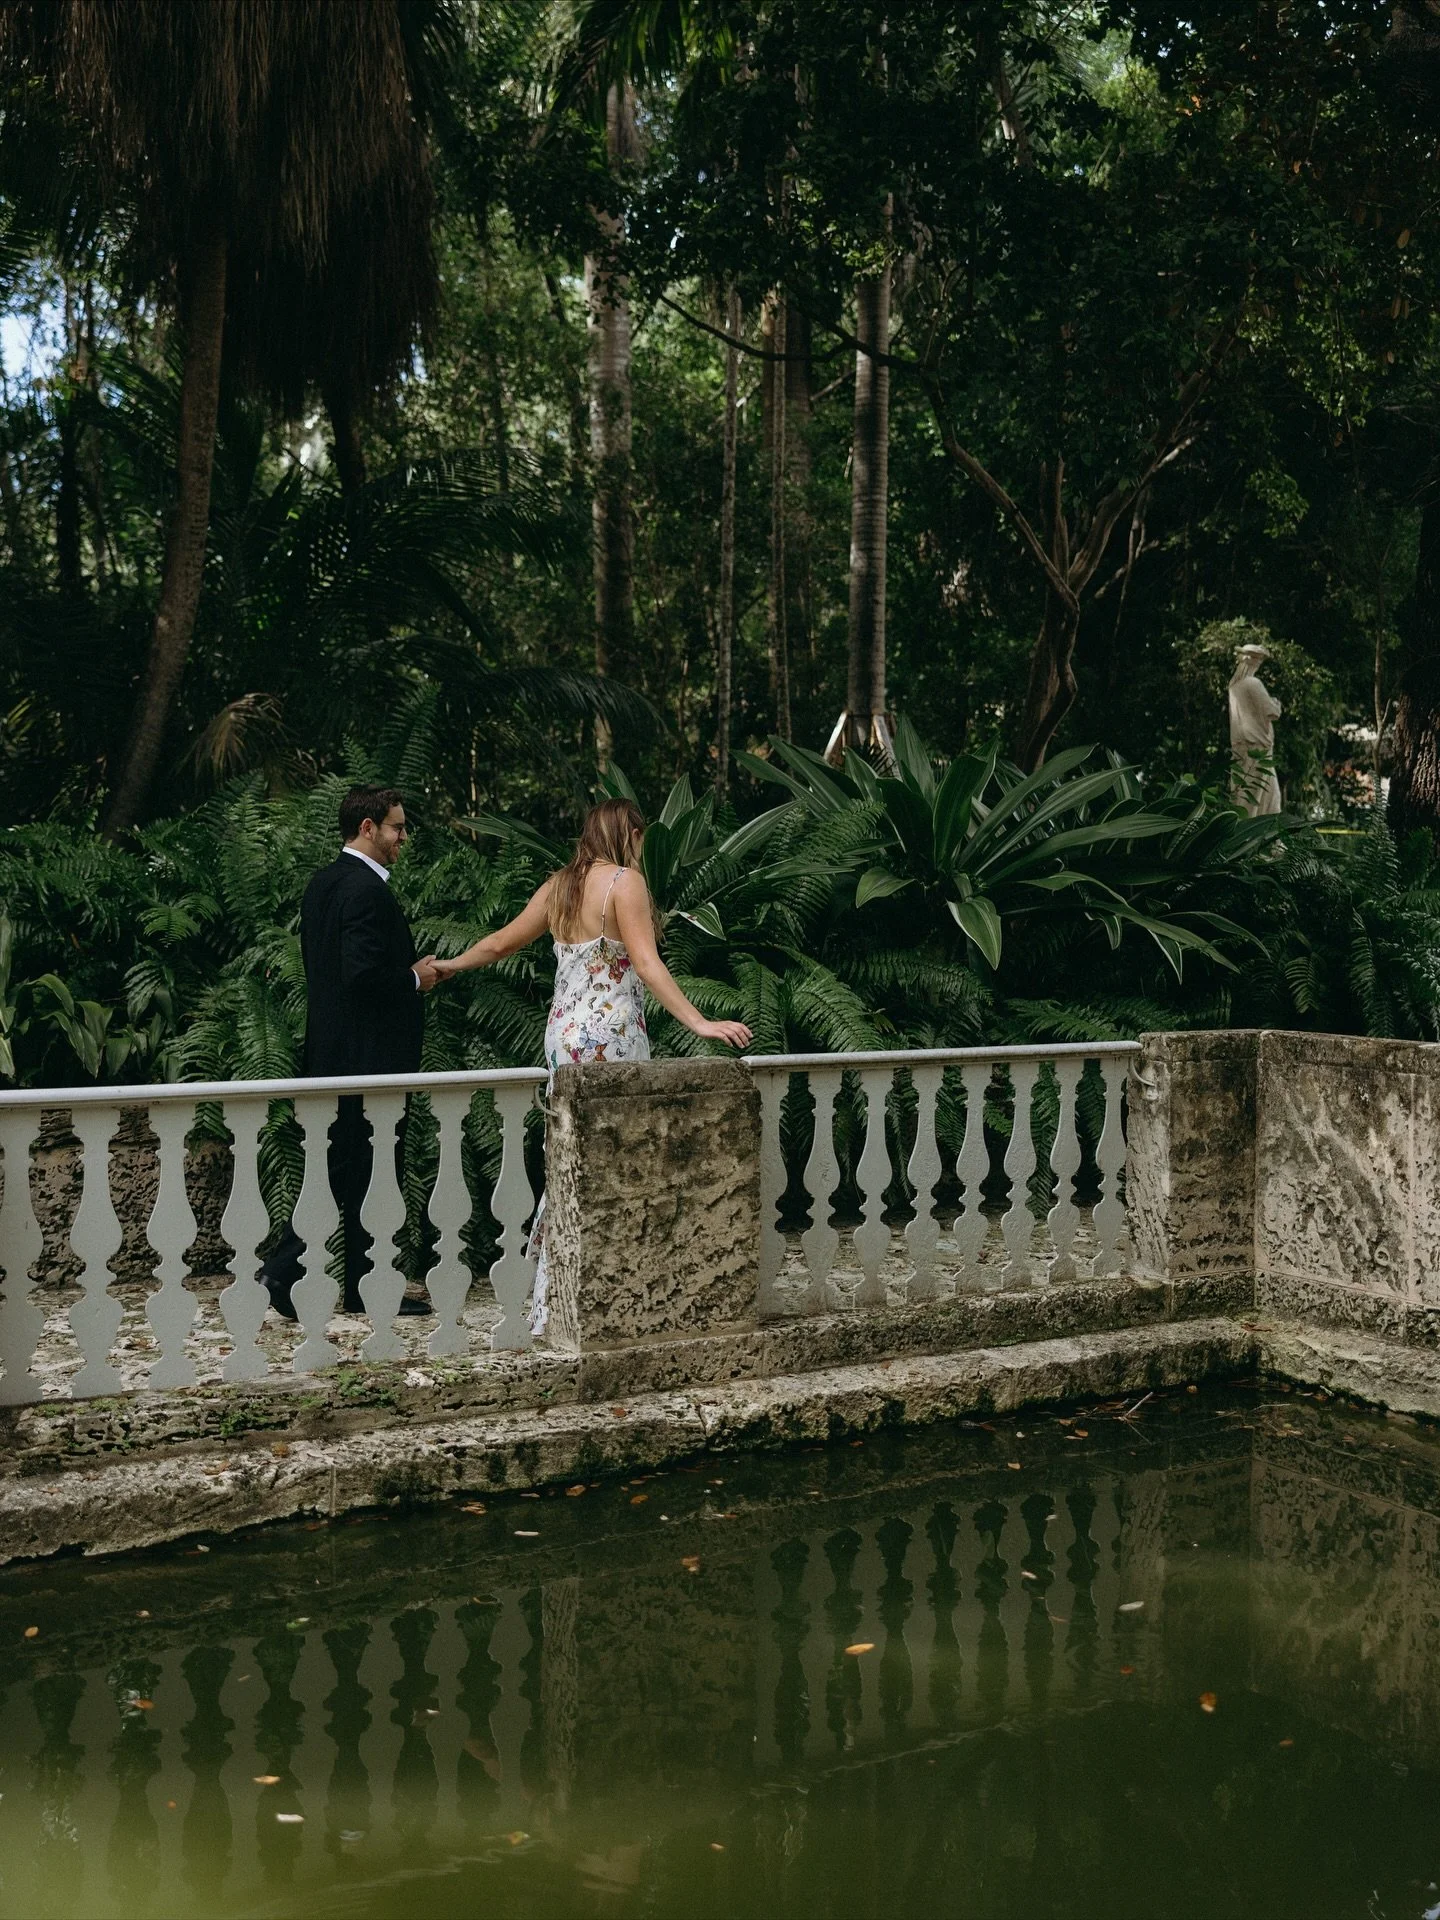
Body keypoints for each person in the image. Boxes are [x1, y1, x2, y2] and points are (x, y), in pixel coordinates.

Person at [434, 797, 751, 1335]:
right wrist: (700, 1023)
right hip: (612, 1032)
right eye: (641, 837)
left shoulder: (560, 885)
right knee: (615, 1163)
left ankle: (552, 1302)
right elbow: (647, 964)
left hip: (563, 1035)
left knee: (569, 1162)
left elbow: (497, 943)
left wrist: (447, 965)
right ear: (629, 832)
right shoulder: (625, 882)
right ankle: (608, 1294)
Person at [257, 784, 441, 1321]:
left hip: (337, 1056)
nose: (403, 837)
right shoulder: (365, 890)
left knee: (361, 1171)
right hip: (369, 1060)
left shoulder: (323, 884)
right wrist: (415, 977)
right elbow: (359, 975)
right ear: (368, 828)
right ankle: (282, 1270)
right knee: (353, 1170)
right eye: (397, 827)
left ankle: (367, 1288)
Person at [1228, 642, 1283, 816]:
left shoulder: (1234, 687)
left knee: (1262, 795)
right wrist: (1276, 703)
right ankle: (1251, 837)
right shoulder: (1253, 683)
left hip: (1243, 748)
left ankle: (1271, 840)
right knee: (1255, 795)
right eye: (1258, 661)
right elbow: (1272, 712)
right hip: (1257, 749)